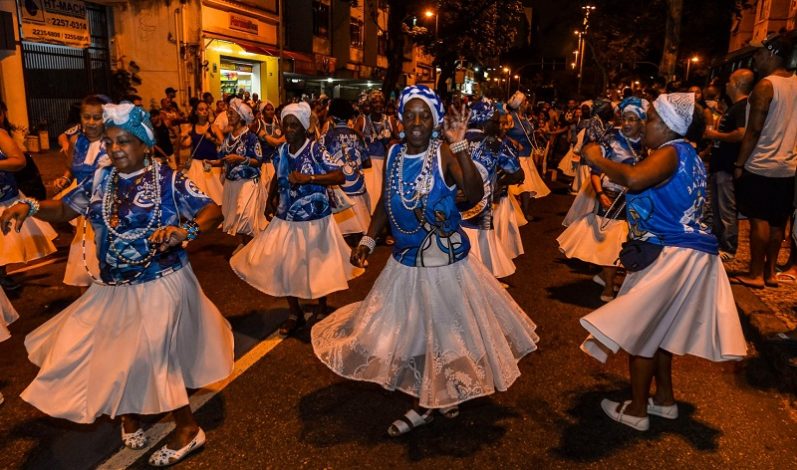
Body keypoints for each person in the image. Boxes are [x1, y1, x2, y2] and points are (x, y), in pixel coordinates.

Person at [0, 103, 234, 466]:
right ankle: (130, 413)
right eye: (109, 142)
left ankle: (188, 429)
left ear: (144, 144)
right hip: (113, 285)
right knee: (114, 353)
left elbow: (211, 212)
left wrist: (182, 231)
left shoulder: (169, 180)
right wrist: (28, 206)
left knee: (156, 354)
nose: (115, 149)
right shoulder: (100, 179)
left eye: (124, 141)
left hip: (161, 280)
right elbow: (64, 210)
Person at [311, 85, 539, 436]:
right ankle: (439, 396)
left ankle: (427, 405)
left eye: (424, 115)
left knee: (443, 335)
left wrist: (460, 143)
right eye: (410, 114)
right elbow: (387, 202)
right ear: (401, 119)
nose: (417, 121)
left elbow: (476, 194)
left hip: (444, 268)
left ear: (434, 120)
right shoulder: (394, 154)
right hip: (404, 263)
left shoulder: (445, 151)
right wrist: (369, 240)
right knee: (411, 334)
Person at [578, 93, 747, 431]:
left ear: (671, 126)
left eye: (653, 119)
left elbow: (635, 179)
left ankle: (638, 410)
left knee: (642, 333)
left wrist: (596, 157)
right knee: (661, 330)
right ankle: (665, 400)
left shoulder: (672, 152)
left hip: (671, 254)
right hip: (688, 254)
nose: (645, 124)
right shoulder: (689, 155)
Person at [230, 102, 363, 337]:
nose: (288, 130)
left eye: (293, 125)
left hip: (315, 219)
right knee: (285, 265)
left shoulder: (314, 149)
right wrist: (270, 200)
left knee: (316, 265)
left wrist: (309, 177)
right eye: (285, 125)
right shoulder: (281, 151)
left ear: (303, 127)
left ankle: (321, 306)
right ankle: (295, 313)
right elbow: (276, 177)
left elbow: (340, 175)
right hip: (286, 218)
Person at [557, 97, 648, 302]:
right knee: (612, 244)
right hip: (612, 197)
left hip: (636, 200)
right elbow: (596, 172)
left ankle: (603, 276)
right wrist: (601, 194)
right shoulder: (613, 141)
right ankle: (608, 285)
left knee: (628, 242)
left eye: (632, 119)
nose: (627, 123)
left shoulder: (646, 143)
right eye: (625, 118)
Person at [733, 34, 797, 289]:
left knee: (758, 219)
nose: (756, 58)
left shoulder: (765, 86)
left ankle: (755, 273)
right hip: (788, 166)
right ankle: (770, 272)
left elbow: (754, 130)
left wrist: (739, 163)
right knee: (777, 222)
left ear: (772, 54)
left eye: (759, 54)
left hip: (761, 163)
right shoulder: (795, 83)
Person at [459, 98, 523, 280]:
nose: (498, 124)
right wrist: (498, 183)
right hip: (479, 216)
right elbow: (518, 175)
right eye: (495, 121)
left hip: (450, 214)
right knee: (480, 271)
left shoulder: (451, 139)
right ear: (485, 121)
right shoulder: (494, 144)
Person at [52, 95, 110, 287]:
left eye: (97, 117)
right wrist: (65, 178)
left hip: (111, 210)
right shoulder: (77, 141)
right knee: (84, 263)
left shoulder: (115, 141)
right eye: (87, 117)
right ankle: (89, 309)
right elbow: (71, 167)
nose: (91, 122)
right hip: (84, 207)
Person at [0, 107, 58, 291]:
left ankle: (2, 276)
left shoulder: (1, 135)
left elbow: (19, 161)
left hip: (4, 197)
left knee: (4, 241)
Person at [704, 69, 754, 261]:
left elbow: (742, 133)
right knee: (717, 207)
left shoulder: (742, 106)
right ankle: (717, 242)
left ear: (737, 84)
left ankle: (729, 247)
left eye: (729, 81)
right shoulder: (734, 107)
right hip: (719, 165)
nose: (726, 85)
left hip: (727, 166)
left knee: (726, 209)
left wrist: (716, 135)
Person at [208, 98, 267, 241]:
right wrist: (212, 163)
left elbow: (258, 161)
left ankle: (250, 249)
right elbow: (224, 159)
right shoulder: (229, 138)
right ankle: (246, 246)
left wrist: (240, 159)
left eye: (231, 113)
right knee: (237, 220)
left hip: (247, 183)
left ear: (241, 117)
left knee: (245, 217)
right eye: (228, 113)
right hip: (231, 184)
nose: (228, 116)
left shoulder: (251, 138)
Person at [319, 98, 372, 236]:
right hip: (358, 191)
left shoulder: (327, 136)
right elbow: (368, 163)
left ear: (332, 116)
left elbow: (320, 161)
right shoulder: (357, 135)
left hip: (339, 195)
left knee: (339, 237)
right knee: (360, 234)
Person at [505, 91, 550, 221]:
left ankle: (524, 212)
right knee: (517, 186)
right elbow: (501, 133)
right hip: (515, 157)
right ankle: (514, 212)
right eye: (525, 101)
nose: (527, 103)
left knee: (527, 186)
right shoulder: (510, 117)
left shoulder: (526, 118)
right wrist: (512, 141)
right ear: (519, 105)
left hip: (527, 156)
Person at [356, 90, 399, 214]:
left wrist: (393, 141)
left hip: (385, 164)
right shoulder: (362, 120)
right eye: (375, 102)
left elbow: (400, 137)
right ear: (370, 104)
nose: (378, 105)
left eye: (380, 102)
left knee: (383, 193)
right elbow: (353, 136)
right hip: (368, 164)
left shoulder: (390, 120)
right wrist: (362, 139)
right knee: (370, 193)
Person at [180, 100, 225, 205]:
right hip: (196, 164)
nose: (204, 111)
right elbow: (185, 145)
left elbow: (224, 144)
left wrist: (211, 139)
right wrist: (183, 139)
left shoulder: (213, 127)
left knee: (214, 193)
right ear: (196, 112)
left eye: (206, 109)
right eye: (201, 109)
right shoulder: (191, 128)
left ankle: (215, 215)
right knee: (197, 191)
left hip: (211, 164)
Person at [252, 100, 284, 196]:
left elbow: (280, 142)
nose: (270, 111)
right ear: (262, 112)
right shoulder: (257, 124)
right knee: (264, 191)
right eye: (267, 110)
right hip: (263, 163)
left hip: (276, 161)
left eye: (272, 109)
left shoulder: (278, 123)